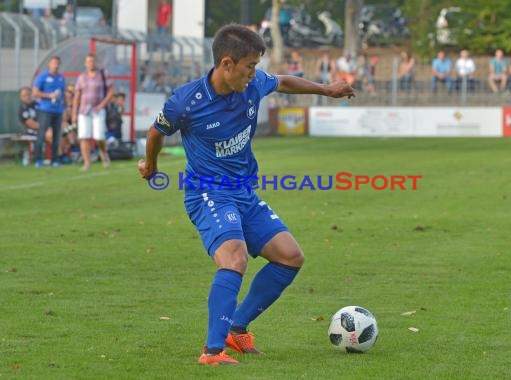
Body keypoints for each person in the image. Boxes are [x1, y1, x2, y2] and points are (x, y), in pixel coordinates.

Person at [137, 24, 355, 366]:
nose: (255, 74)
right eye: (249, 67)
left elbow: (282, 81)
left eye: (256, 67)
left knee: (290, 256)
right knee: (234, 258)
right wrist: (150, 165)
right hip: (207, 193)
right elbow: (155, 132)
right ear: (227, 64)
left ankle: (235, 328)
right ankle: (211, 352)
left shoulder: (252, 86)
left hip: (244, 193)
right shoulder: (187, 101)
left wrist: (326, 90)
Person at [72, 53, 114, 171]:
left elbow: (111, 92)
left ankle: (103, 153)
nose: (91, 63)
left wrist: (102, 105)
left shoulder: (103, 74)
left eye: (93, 61)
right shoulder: (81, 77)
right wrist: (74, 113)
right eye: (88, 61)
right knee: (84, 136)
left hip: (98, 110)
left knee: (98, 136)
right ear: (85, 63)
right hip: (84, 110)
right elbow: (77, 95)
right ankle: (87, 163)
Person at [32, 55, 65, 168]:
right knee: (42, 135)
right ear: (49, 64)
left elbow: (62, 94)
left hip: (58, 111)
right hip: (45, 110)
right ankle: (38, 160)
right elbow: (35, 92)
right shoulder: (43, 76)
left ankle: (55, 160)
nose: (55, 65)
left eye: (57, 63)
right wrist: (48, 95)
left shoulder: (61, 78)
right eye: (53, 63)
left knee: (56, 137)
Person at [18, 86, 52, 166]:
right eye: (24, 96)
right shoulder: (23, 108)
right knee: (50, 134)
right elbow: (31, 124)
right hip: (30, 131)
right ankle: (50, 157)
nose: (27, 97)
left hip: (44, 128)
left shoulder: (38, 105)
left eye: (28, 95)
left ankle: (62, 156)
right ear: (21, 97)